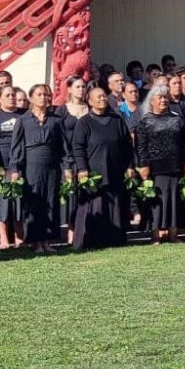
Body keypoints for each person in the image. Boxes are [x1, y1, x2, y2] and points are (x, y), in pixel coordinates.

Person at [10, 84, 69, 254]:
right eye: (40, 94)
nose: (44, 97)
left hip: (51, 166)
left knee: (50, 201)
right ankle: (35, 242)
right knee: (34, 203)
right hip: (31, 166)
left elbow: (63, 146)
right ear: (31, 97)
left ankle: (47, 241)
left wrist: (66, 167)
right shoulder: (23, 120)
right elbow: (17, 146)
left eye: (46, 94)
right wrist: (14, 168)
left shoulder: (56, 120)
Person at [71, 87, 133, 250]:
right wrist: (82, 168)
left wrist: (129, 166)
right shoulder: (84, 122)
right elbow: (78, 147)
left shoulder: (117, 120)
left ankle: (115, 239)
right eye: (98, 97)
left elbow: (127, 145)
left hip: (115, 170)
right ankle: (91, 240)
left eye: (104, 96)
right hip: (93, 172)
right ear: (90, 101)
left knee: (115, 204)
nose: (103, 99)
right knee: (95, 205)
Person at [135, 85, 185, 245]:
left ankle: (174, 234)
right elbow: (141, 146)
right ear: (151, 100)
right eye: (160, 97)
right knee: (157, 202)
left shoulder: (177, 118)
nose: (163, 100)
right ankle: (155, 236)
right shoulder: (145, 120)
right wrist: (143, 165)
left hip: (175, 166)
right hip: (154, 169)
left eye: (165, 97)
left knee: (174, 201)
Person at [0, 86, 25, 248]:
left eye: (13, 94)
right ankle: (3, 237)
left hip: (20, 161)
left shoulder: (24, 114)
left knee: (19, 200)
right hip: (0, 163)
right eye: (8, 95)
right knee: (2, 200)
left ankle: (19, 236)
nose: (12, 97)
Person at [54, 75, 89, 244]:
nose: (81, 89)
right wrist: (66, 162)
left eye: (83, 86)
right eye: (77, 87)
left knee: (87, 194)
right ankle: (71, 231)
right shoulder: (62, 111)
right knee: (71, 196)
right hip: (68, 159)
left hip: (88, 158)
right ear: (69, 89)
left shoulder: (90, 108)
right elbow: (59, 138)